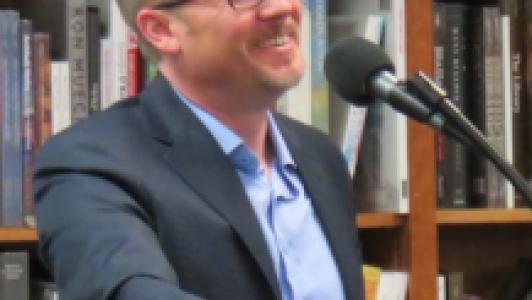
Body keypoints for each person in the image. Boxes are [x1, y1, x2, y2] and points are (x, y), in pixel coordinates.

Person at [33, 0, 364, 299]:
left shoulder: (320, 156)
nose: (281, 8)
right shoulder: (90, 162)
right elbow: (129, 290)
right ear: (161, 30)